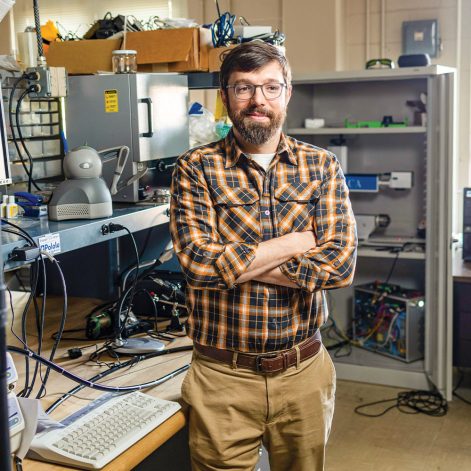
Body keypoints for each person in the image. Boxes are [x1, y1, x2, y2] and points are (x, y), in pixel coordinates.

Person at [169, 41, 357, 471]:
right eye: (244, 88)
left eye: (271, 87)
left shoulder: (321, 166)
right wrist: (297, 242)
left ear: (287, 93)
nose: (258, 100)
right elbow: (199, 265)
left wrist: (233, 266)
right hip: (222, 377)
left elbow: (340, 266)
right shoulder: (195, 168)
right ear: (225, 96)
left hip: (303, 373)